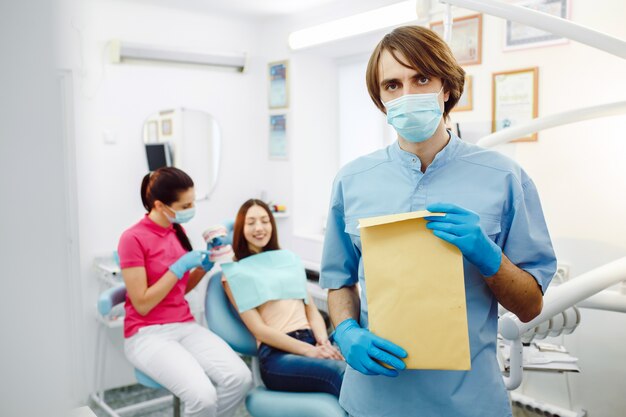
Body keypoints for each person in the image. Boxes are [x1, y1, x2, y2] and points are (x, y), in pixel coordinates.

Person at [320, 26, 556, 417]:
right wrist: (345, 331)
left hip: (468, 401)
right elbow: (338, 281)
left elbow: (530, 306)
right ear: (380, 98)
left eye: (422, 79)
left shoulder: (503, 177)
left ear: (446, 88)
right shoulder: (352, 180)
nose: (407, 95)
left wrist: (489, 258)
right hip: (373, 398)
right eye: (392, 85)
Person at [118, 167, 252, 417]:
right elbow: (143, 304)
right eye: (185, 204)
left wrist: (205, 265)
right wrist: (178, 267)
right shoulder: (132, 238)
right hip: (146, 333)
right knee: (203, 398)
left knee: (240, 378)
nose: (191, 208)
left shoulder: (175, 231)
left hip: (184, 325)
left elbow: (180, 289)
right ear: (160, 205)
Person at [223, 199, 346, 397]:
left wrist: (323, 343)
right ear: (240, 228)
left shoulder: (288, 260)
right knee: (338, 372)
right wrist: (310, 351)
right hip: (277, 355)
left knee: (359, 365)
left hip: (312, 340)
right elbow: (260, 330)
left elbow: (311, 310)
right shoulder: (235, 273)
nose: (259, 228)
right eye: (251, 222)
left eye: (265, 220)